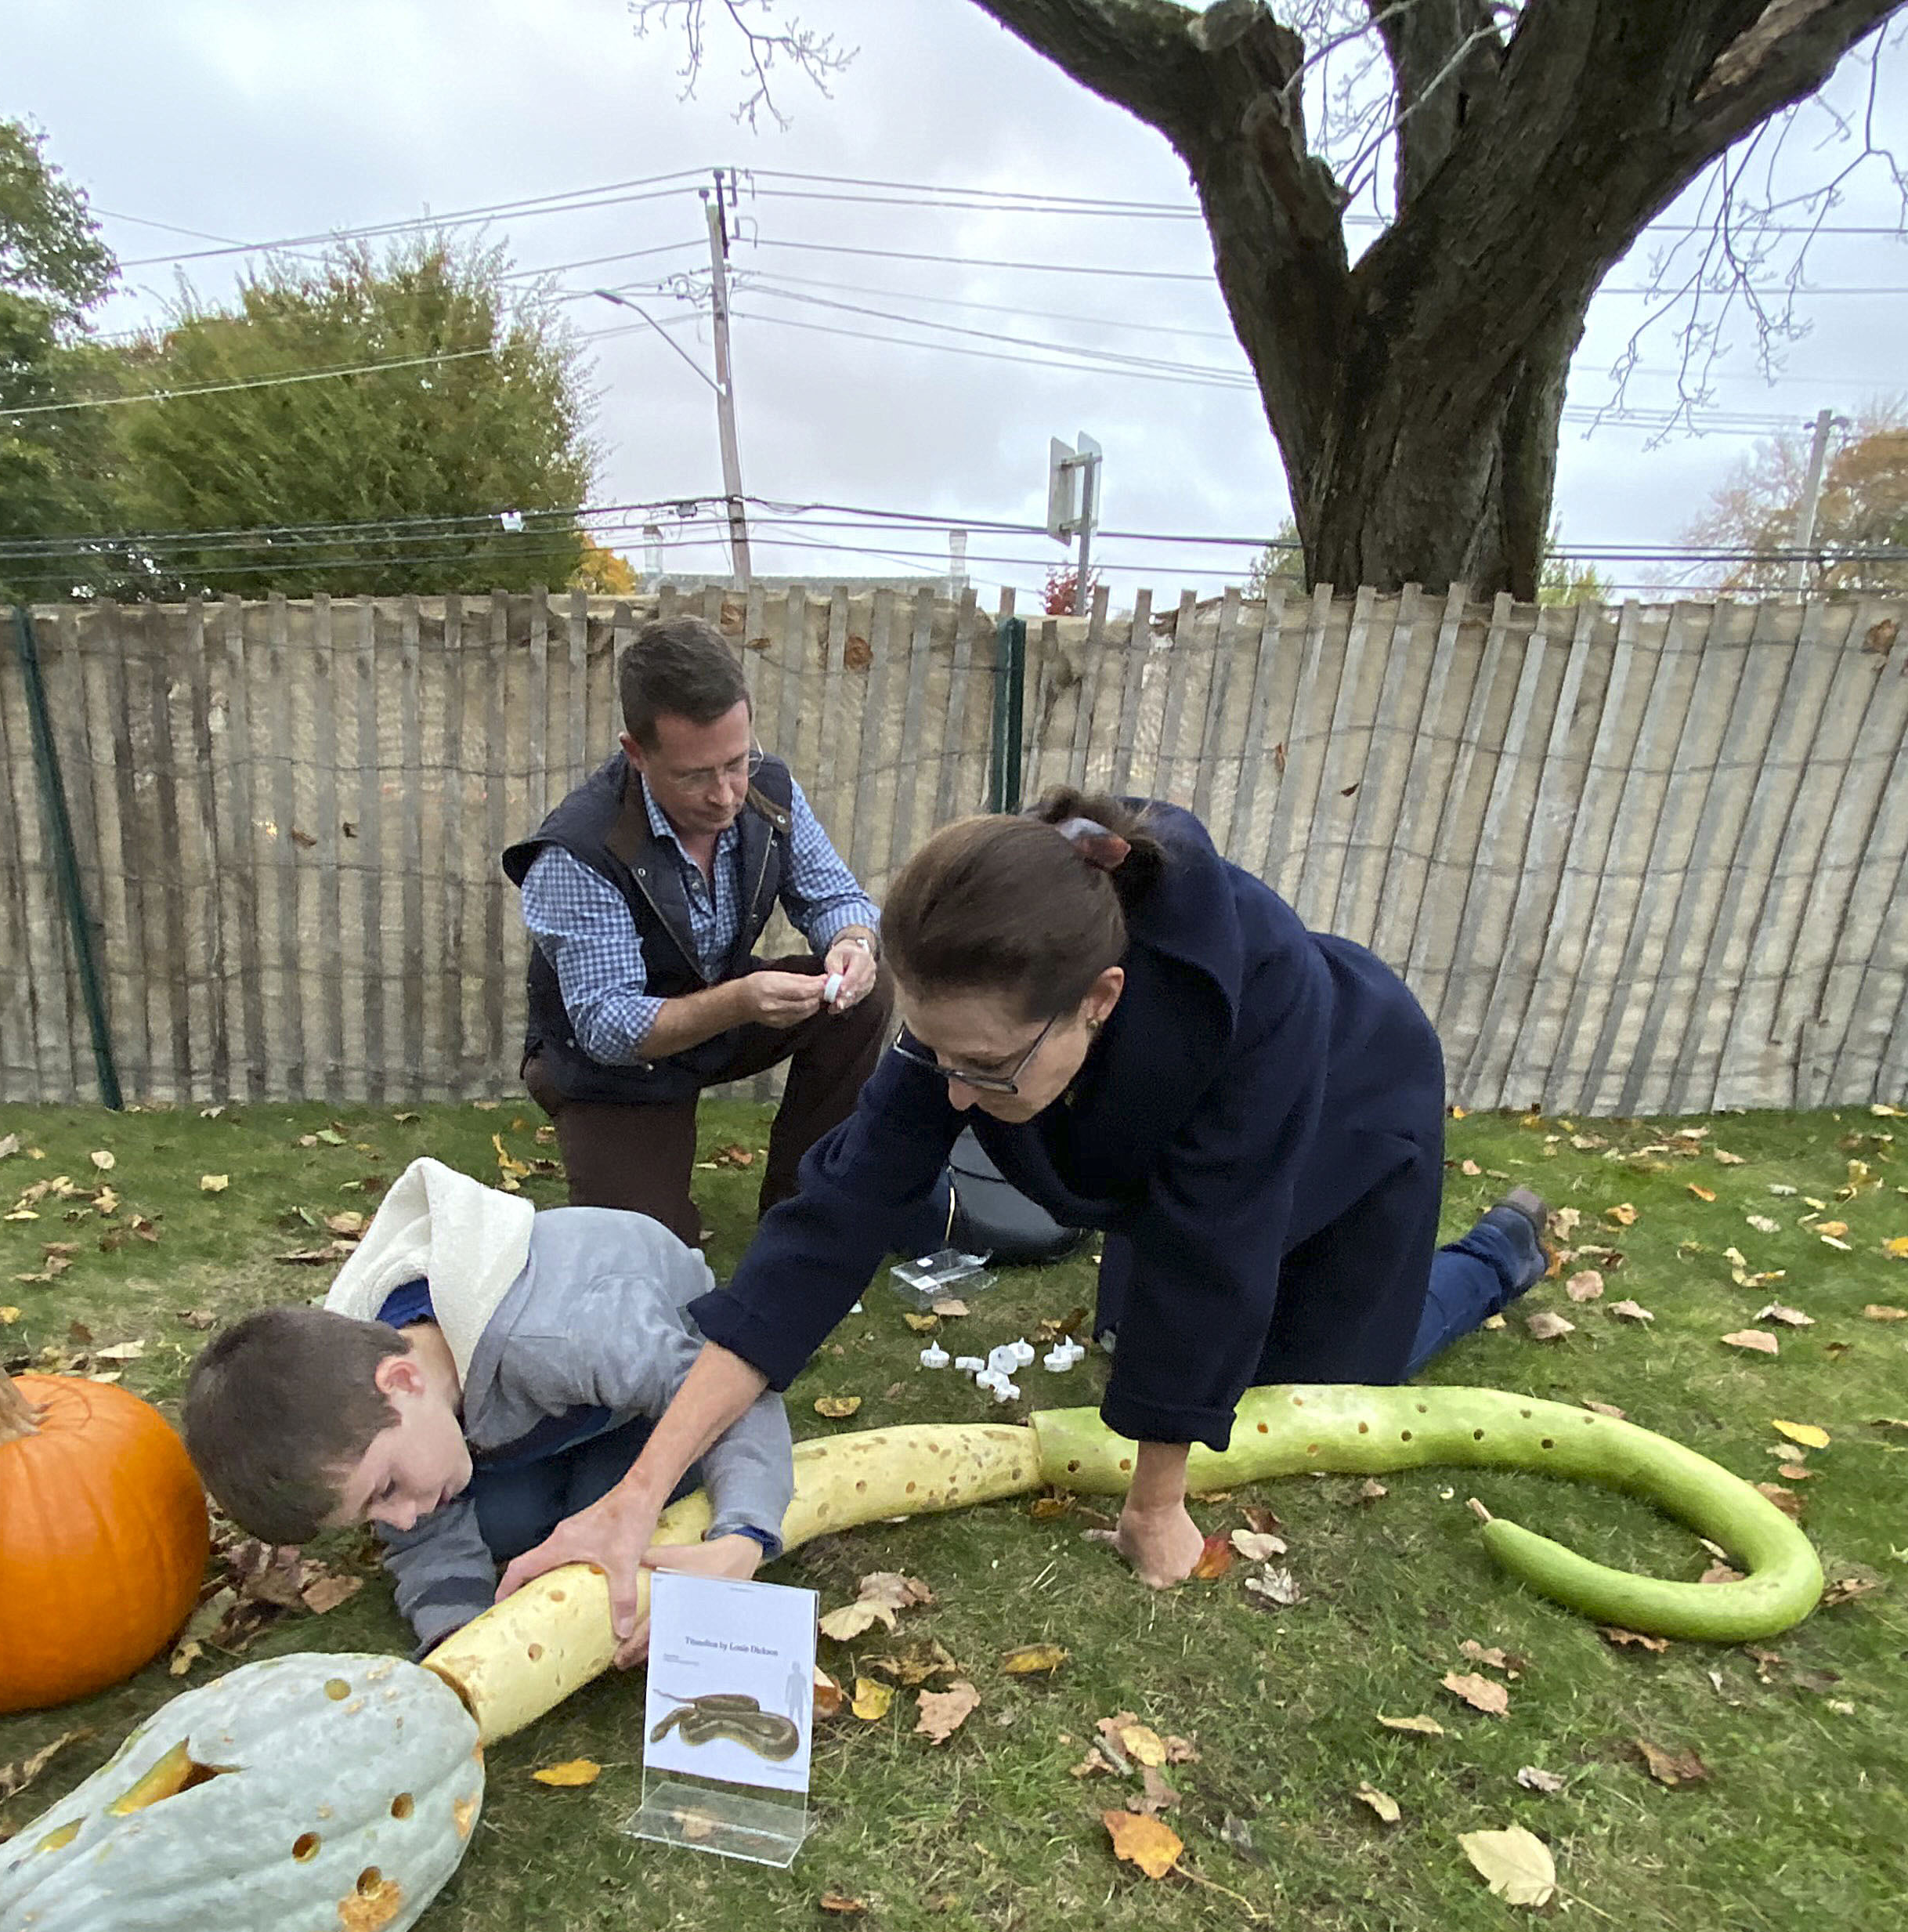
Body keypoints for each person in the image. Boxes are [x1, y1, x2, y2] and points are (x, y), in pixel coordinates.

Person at [500, 790, 1552, 1629]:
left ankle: (1495, 1256)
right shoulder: (988, 985)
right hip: (1156, 1124)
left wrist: (1155, 1508)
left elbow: (1212, 1244)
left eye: (984, 1069)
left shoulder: (1255, 988)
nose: (953, 1096)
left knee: (1317, 1385)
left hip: (1349, 1103)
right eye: (936, 1056)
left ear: (1097, 999)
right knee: (1137, 1348)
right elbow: (828, 1228)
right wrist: (636, 1494)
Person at [180, 1156, 788, 1653]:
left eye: (385, 1488)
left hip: (658, 1384)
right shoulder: (376, 1404)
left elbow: (730, 1386)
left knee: (607, 1516)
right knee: (502, 1525)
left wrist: (743, 1535)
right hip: (550, 1413)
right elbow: (423, 1537)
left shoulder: (565, 1337)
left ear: (403, 1381)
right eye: (371, 1515)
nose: (398, 1519)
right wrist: (463, 1643)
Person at [504, 616, 893, 1246]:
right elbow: (607, 1028)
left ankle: (807, 1209)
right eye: (694, 775)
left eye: (736, 762)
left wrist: (853, 942)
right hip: (614, 1072)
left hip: (718, 1021)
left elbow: (837, 896)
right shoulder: (578, 849)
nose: (725, 795)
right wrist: (741, 1001)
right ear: (636, 752)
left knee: (866, 992)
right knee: (649, 1257)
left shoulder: (769, 790)